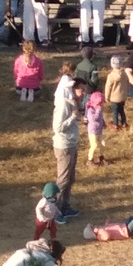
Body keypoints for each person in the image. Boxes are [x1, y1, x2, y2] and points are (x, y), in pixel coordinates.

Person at [51, 77, 86, 218]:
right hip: (64, 146)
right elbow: (58, 127)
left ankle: (65, 207)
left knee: (70, 179)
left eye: (85, 90)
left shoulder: (72, 102)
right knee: (63, 180)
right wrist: (73, 116)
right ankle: (55, 211)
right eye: (81, 90)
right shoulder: (63, 104)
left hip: (71, 144)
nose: (83, 93)